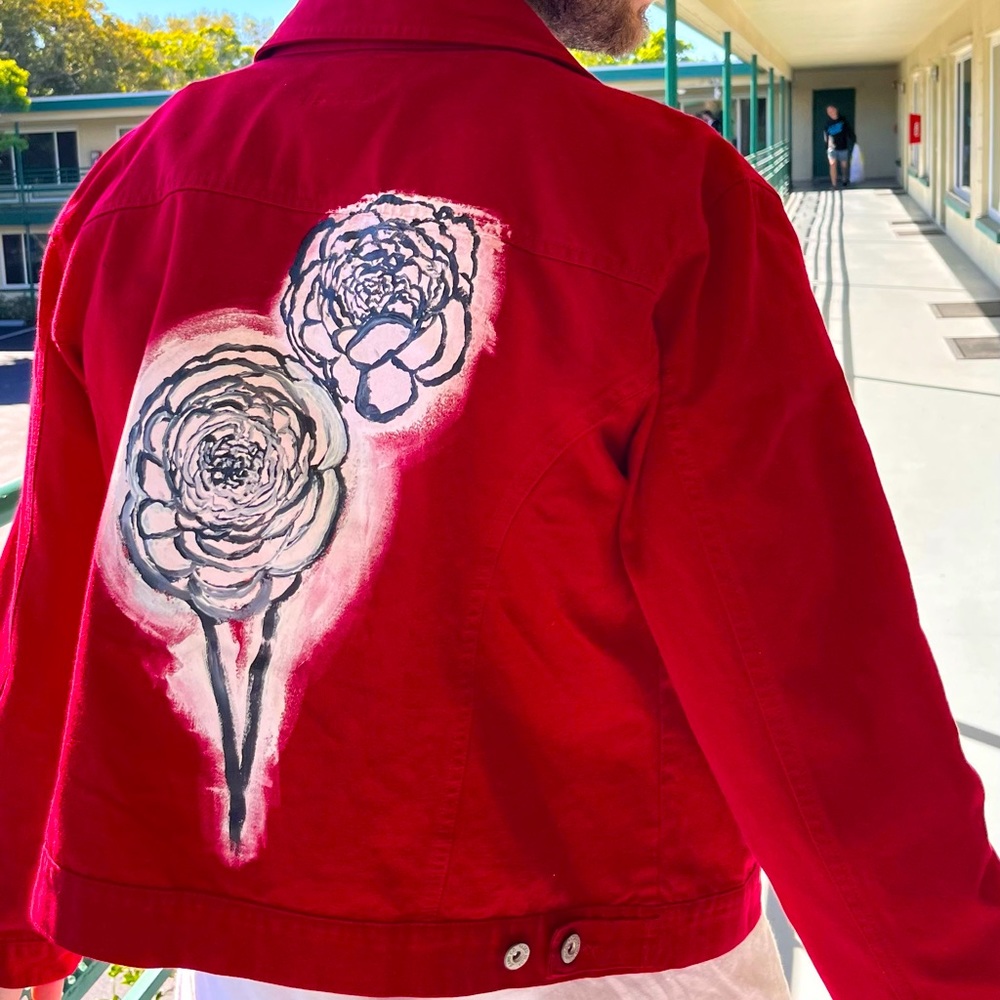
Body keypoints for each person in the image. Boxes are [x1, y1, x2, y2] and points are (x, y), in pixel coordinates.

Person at [1, 1, 999, 999]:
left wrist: (15, 925)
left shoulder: (137, 186)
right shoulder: (670, 196)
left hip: (249, 963)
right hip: (604, 953)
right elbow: (817, 676)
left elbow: (45, 593)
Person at [824, 105, 856, 188]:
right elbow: (826, 135)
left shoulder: (843, 121)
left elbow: (849, 131)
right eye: (828, 111)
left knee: (844, 166)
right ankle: (834, 184)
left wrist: (853, 139)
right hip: (831, 148)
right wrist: (826, 146)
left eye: (831, 110)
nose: (830, 112)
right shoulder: (827, 123)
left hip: (843, 147)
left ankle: (844, 178)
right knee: (832, 164)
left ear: (836, 110)